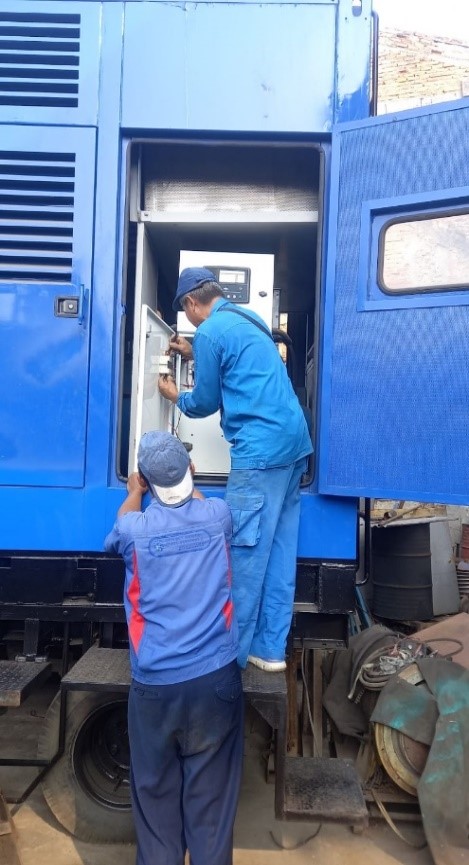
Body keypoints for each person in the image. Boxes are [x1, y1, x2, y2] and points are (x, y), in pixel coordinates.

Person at [158, 267, 313, 672]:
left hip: (260, 452)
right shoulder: (247, 318)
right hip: (294, 445)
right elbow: (237, 361)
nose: (189, 320)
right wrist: (194, 352)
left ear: (191, 302)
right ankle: (269, 650)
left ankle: (230, 659)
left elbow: (204, 402)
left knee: (244, 556)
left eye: (185, 312)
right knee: (279, 552)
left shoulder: (210, 331)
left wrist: (176, 396)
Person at [104, 430, 243, 865]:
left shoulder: (134, 529)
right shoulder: (218, 515)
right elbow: (196, 502)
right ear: (192, 471)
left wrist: (135, 491)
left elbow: (119, 525)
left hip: (155, 690)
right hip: (217, 682)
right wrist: (187, 480)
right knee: (212, 813)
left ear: (145, 480)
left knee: (156, 807)